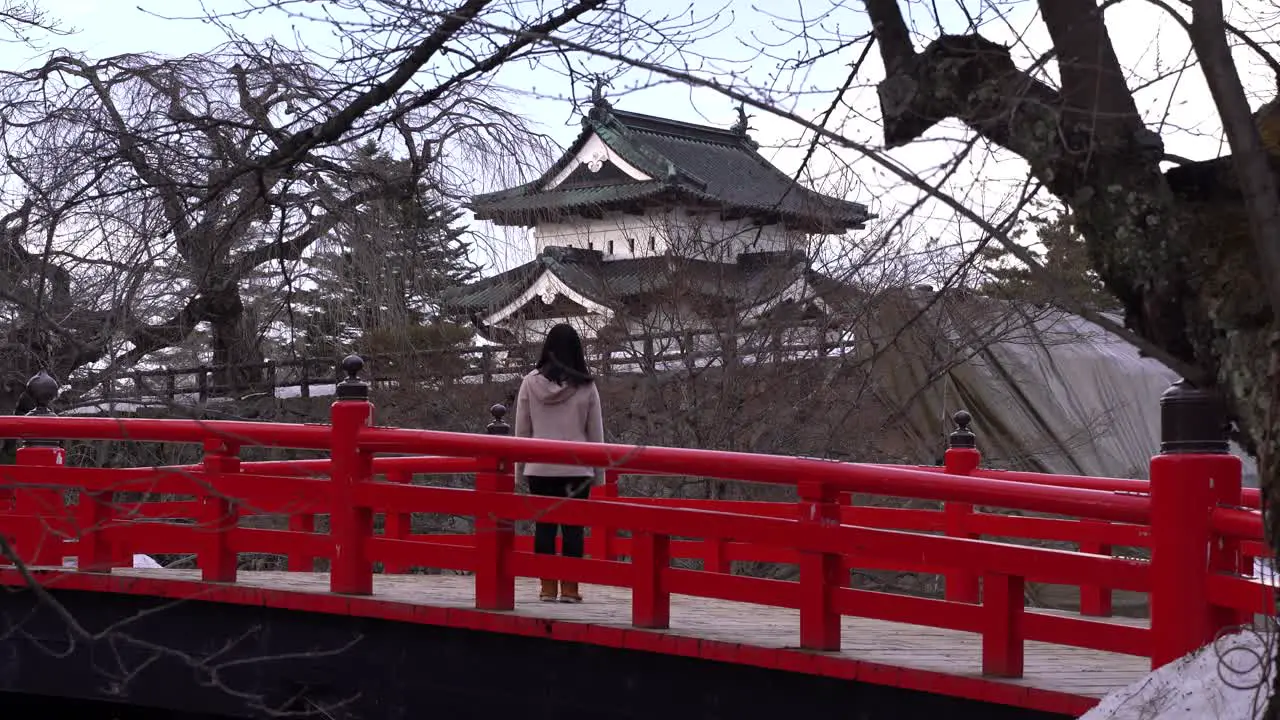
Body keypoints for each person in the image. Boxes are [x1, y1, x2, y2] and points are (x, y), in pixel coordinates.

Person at [514, 323, 605, 604]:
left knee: (544, 527)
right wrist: (599, 475)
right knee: (573, 528)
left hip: (540, 468)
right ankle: (570, 587)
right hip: (577, 469)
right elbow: (595, 435)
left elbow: (522, 432)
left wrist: (519, 470)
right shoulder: (586, 386)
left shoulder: (529, 382)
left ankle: (547, 586)